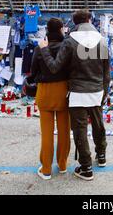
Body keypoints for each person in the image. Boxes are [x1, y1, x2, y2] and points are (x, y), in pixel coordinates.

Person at [38, 9, 110, 181]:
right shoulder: (102, 41)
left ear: (75, 22)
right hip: (97, 90)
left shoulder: (70, 41)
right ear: (89, 20)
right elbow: (106, 73)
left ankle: (86, 168)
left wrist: (44, 50)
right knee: (98, 125)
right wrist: (104, 93)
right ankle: (101, 156)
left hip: (78, 92)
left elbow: (55, 67)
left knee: (80, 130)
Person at [29, 18, 70, 180]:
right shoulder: (66, 47)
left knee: (46, 133)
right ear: (60, 29)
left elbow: (32, 71)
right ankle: (62, 165)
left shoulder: (40, 48)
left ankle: (46, 169)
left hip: (44, 92)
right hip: (62, 91)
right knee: (64, 131)